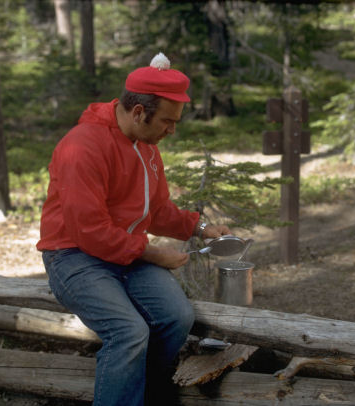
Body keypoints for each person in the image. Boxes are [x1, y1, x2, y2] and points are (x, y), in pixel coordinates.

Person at [36, 52, 231, 406]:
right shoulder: (82, 147)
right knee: (128, 331)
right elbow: (89, 231)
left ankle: (146, 396)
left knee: (177, 316)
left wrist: (201, 228)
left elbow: (155, 210)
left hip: (125, 254)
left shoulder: (145, 145)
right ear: (139, 112)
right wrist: (154, 254)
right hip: (73, 256)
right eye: (168, 122)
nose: (172, 130)